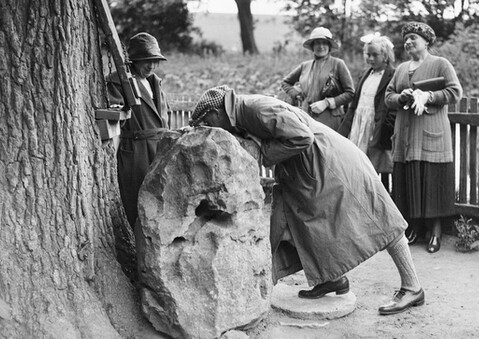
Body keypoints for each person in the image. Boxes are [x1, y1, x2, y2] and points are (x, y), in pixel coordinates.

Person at [188, 85, 425, 315]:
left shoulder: (256, 109)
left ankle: (412, 287)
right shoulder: (239, 113)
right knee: (296, 223)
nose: (213, 130)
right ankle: (332, 279)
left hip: (333, 163)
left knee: (379, 218)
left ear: (216, 113)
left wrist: (263, 154)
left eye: (209, 124)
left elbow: (302, 136)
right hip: (307, 168)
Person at [385, 21, 463, 252]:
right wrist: (402, 97)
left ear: (427, 41)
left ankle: (436, 232)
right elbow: (388, 96)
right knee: (409, 182)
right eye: (406, 38)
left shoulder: (440, 64)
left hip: (431, 135)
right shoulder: (400, 69)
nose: (408, 42)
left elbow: (455, 92)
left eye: (413, 38)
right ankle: (415, 228)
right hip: (406, 137)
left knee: (432, 183)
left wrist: (428, 96)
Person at [106, 32, 171, 229]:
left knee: (161, 200)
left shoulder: (155, 82)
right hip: (135, 152)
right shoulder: (120, 81)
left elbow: (163, 115)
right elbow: (114, 117)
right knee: (136, 203)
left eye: (154, 61)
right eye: (145, 61)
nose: (150, 66)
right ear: (134, 61)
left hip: (159, 149)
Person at [337, 34, 396, 192]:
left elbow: (391, 107)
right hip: (360, 123)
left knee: (379, 164)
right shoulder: (365, 75)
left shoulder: (392, 75)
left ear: (385, 55)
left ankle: (384, 198)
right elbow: (354, 105)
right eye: (367, 54)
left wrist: (386, 128)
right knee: (359, 164)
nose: (370, 58)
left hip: (377, 126)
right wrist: (343, 131)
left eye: (375, 55)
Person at [280, 26, 355, 132]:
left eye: (324, 43)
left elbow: (350, 93)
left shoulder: (338, 64)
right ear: (312, 46)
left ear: (329, 46)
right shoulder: (305, 66)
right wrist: (296, 95)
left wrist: (327, 103)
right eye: (317, 43)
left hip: (330, 119)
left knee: (327, 147)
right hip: (306, 117)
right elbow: (285, 82)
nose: (321, 46)